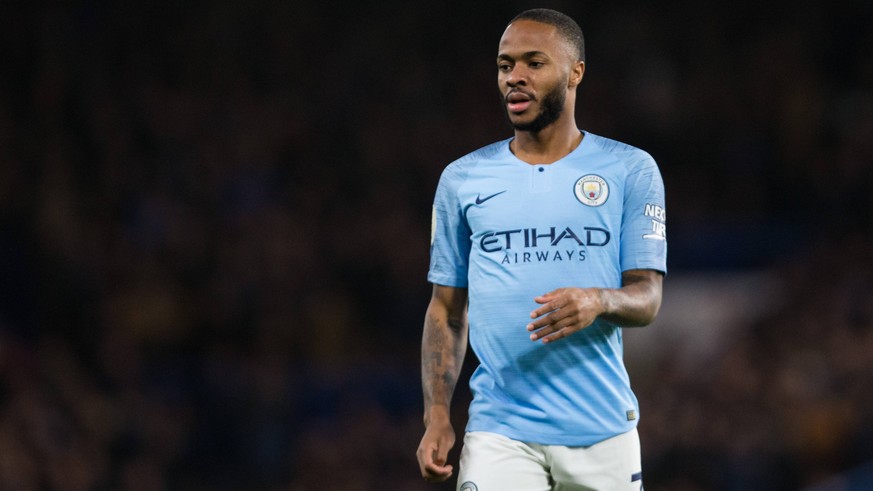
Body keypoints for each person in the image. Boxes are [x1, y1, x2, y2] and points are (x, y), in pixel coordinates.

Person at [415, 8, 667, 491]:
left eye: (534, 63)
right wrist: (437, 415)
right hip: (500, 431)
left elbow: (648, 298)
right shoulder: (462, 179)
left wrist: (599, 300)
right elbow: (446, 310)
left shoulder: (629, 170)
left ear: (575, 73)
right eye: (505, 65)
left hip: (602, 430)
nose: (515, 78)